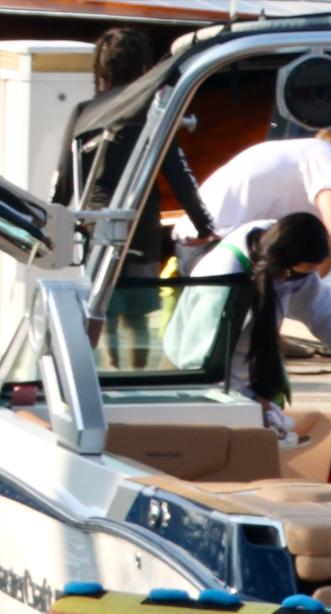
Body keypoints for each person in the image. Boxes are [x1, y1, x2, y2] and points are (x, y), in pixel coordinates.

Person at [51, 27, 217, 369]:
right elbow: (179, 175)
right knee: (138, 317)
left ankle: (98, 377)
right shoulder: (153, 112)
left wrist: (50, 221)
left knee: (100, 309)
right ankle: (135, 377)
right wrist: (205, 226)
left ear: (99, 69)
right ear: (144, 67)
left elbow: (65, 180)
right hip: (140, 220)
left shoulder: (85, 111)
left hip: (96, 224)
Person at [173, 107, 331, 320]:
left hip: (196, 249)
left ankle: (274, 332)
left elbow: (326, 254)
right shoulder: (330, 160)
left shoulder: (309, 154)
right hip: (214, 255)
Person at [165, 213, 331, 427]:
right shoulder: (222, 279)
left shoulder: (283, 249)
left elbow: (323, 312)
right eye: (297, 275)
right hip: (205, 388)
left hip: (251, 380)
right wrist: (248, 399)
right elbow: (200, 363)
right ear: (279, 264)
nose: (301, 282)